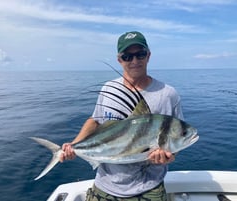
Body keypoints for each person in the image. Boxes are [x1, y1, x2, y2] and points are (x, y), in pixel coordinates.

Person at [60, 31, 184, 201]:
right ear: (119, 59)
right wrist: (73, 145)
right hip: (104, 186)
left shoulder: (168, 94)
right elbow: (95, 120)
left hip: (149, 190)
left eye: (140, 54)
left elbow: (175, 139)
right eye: (127, 56)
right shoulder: (108, 89)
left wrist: (168, 157)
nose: (134, 61)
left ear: (148, 56)